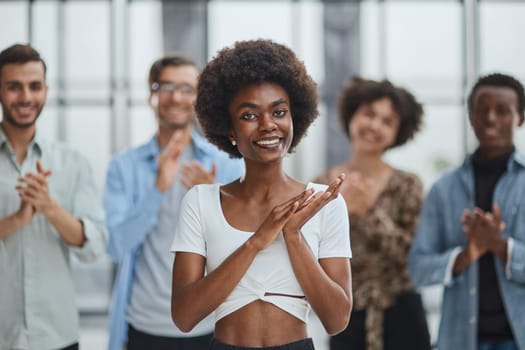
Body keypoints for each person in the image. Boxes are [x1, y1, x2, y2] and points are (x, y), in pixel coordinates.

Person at [169, 39, 352, 350]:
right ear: (229, 130)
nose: (268, 125)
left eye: (279, 111)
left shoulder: (324, 203)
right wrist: (255, 242)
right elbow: (184, 316)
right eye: (249, 116)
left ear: (294, 118)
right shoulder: (201, 201)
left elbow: (336, 320)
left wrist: (293, 236)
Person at [104, 54, 243, 350]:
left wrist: (215, 198)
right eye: (166, 86)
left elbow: (246, 246)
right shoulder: (124, 166)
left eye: (186, 88)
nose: (176, 97)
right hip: (144, 326)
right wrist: (157, 189)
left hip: (209, 324)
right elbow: (116, 246)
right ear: (151, 95)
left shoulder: (226, 163)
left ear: (198, 98)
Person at [0, 44, 107, 350]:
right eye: (13, 87)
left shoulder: (73, 163)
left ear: (46, 90)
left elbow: (94, 248)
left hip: (56, 334)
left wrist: (50, 208)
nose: (25, 97)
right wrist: (16, 220)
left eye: (34, 86)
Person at [409, 73, 525, 350]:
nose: (491, 119)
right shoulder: (442, 189)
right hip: (459, 340)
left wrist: (499, 245)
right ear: (470, 115)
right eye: (482, 109)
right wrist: (467, 254)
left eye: (503, 110)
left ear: (520, 117)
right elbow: (417, 270)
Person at [314, 77, 430, 350]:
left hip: (402, 313)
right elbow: (312, 256)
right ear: (352, 115)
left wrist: (368, 213)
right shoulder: (321, 183)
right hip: (346, 314)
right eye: (369, 114)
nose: (375, 126)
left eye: (387, 121)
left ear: (398, 132)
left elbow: (413, 257)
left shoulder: (407, 184)